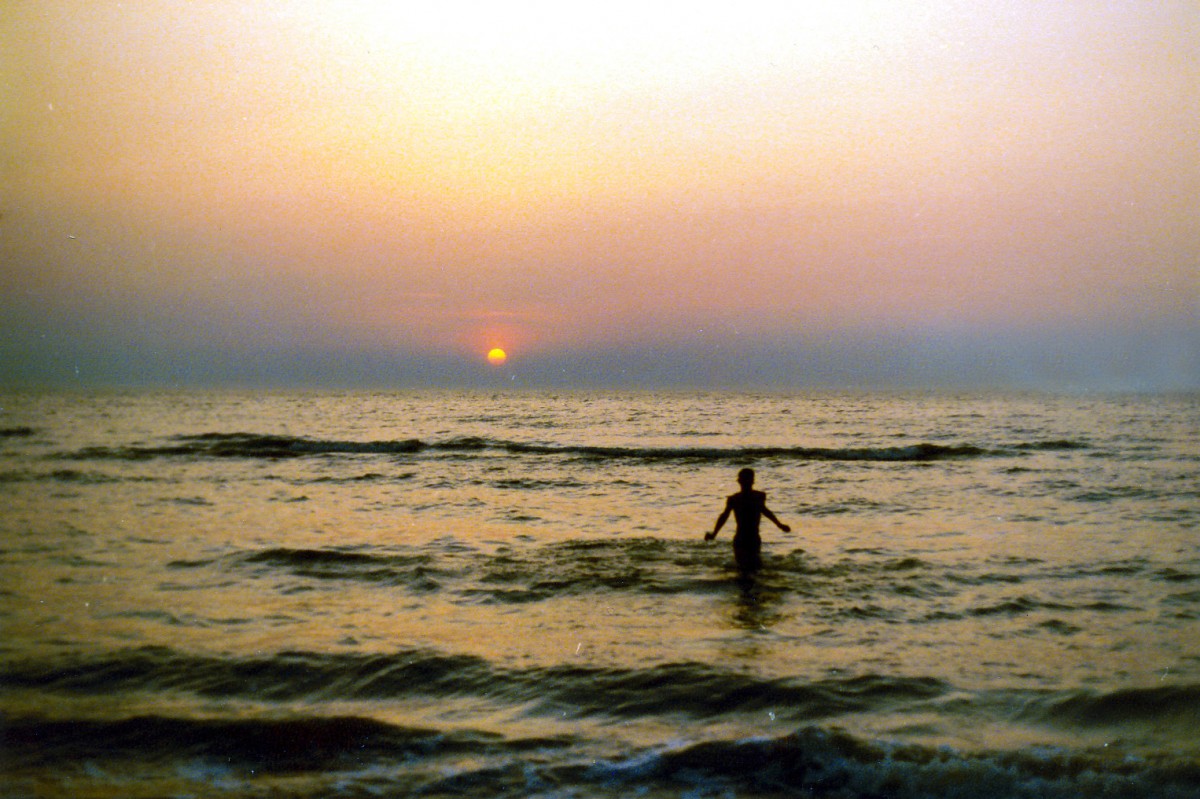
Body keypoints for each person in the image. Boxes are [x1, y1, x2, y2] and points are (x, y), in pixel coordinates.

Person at [706, 468, 790, 573]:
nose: (746, 482)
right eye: (744, 479)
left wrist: (779, 525)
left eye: (748, 479)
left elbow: (764, 511)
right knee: (745, 568)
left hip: (752, 538)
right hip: (742, 538)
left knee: (753, 567)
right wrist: (714, 533)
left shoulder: (758, 496)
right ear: (740, 481)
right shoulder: (735, 499)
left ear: (752, 481)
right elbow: (724, 516)